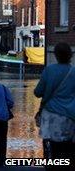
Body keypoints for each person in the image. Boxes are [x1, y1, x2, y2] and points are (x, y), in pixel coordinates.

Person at [34, 42, 75, 171]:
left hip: (51, 115)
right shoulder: (74, 71)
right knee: (68, 147)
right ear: (70, 55)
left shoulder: (49, 70)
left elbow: (38, 92)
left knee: (51, 147)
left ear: (56, 55)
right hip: (70, 116)